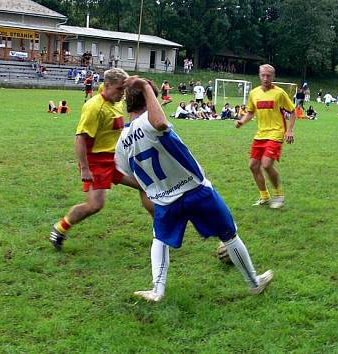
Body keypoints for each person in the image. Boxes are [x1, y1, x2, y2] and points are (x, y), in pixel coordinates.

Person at [115, 77, 273, 302]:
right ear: (148, 99)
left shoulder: (122, 141)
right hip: (195, 190)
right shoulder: (149, 122)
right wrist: (145, 87)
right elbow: (159, 122)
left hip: (164, 200)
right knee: (229, 234)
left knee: (159, 238)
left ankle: (157, 291)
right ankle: (254, 283)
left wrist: (152, 189)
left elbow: (119, 175)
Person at [49, 68, 154, 250]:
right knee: (94, 205)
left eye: (124, 90)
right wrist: (84, 168)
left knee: (146, 184)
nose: (123, 94)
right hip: (96, 163)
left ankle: (161, 230)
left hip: (115, 160)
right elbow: (80, 138)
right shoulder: (93, 107)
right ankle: (60, 228)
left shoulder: (116, 102)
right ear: (107, 85)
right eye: (120, 89)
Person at [235, 64, 296, 209]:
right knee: (253, 166)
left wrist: (289, 131)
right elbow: (250, 112)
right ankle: (264, 196)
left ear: (273, 77)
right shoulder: (254, 93)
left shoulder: (279, 93)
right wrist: (241, 122)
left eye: (268, 76)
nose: (265, 78)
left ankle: (279, 195)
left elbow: (293, 111)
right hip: (260, 134)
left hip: (276, 133)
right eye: (263, 75)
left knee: (267, 164)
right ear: (259, 75)